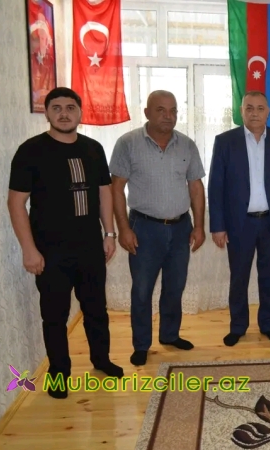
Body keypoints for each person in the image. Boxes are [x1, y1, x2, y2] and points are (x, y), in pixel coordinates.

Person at [7, 87, 124, 399]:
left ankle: (101, 360)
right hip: (50, 251)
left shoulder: (93, 149)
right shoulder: (31, 151)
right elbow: (16, 203)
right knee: (55, 316)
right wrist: (29, 249)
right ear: (46, 112)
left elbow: (104, 192)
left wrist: (109, 234)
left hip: (90, 247)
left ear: (80, 113)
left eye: (70, 107)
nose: (63, 113)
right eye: (56, 107)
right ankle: (59, 374)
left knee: (96, 309)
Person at [109, 90, 206, 366]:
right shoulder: (128, 143)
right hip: (144, 229)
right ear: (147, 113)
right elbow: (116, 188)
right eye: (161, 110)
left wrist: (199, 226)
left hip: (180, 228)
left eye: (173, 110)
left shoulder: (187, 145)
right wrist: (123, 229)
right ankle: (141, 345)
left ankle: (170, 335)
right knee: (142, 290)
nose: (168, 116)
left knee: (175, 286)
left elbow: (196, 187)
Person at [208, 91, 270, 347]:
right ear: (241, 112)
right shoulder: (225, 141)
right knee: (239, 278)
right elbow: (216, 186)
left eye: (260, 108)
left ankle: (268, 324)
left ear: (268, 112)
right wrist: (217, 226)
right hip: (239, 223)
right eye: (249, 108)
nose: (255, 113)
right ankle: (238, 326)